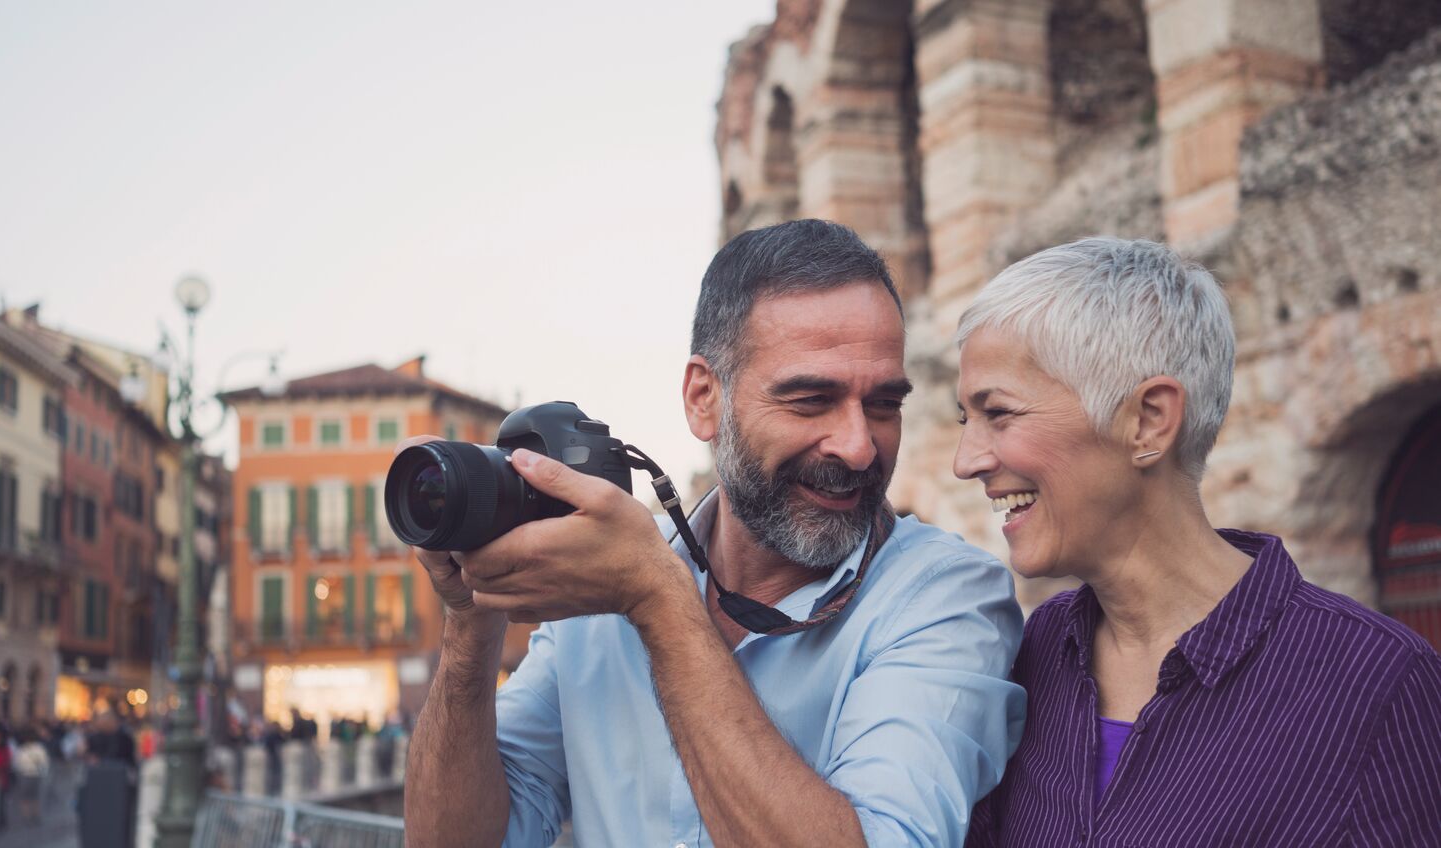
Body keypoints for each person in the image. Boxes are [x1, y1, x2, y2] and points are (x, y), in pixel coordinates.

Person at [404, 220, 1025, 847]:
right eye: (810, 400)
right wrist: (471, 620)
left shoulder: (947, 597)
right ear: (705, 399)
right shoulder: (595, 591)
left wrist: (656, 600)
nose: (859, 447)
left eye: (884, 405)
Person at [956, 238, 1441, 845]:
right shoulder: (1034, 655)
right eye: (963, 420)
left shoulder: (1375, 684)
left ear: (1149, 420)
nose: (965, 460)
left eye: (998, 413)